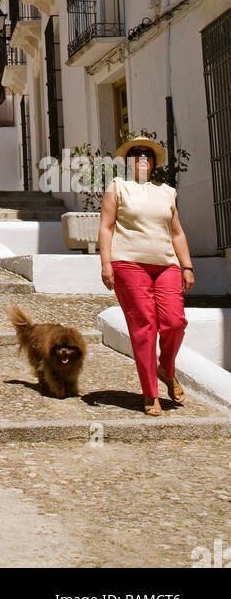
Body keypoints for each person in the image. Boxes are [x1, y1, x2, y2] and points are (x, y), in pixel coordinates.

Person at [98, 135, 194, 416]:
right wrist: (106, 263)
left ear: (153, 163)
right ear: (129, 161)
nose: (141, 157)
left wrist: (186, 265)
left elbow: (177, 232)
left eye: (146, 154)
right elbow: (106, 226)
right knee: (144, 328)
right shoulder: (118, 187)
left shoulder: (167, 192)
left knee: (175, 322)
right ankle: (150, 392)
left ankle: (166, 367)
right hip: (129, 264)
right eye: (136, 153)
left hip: (166, 265)